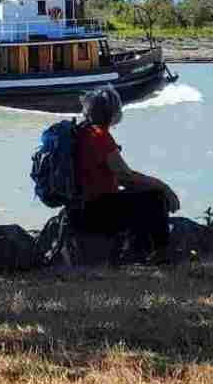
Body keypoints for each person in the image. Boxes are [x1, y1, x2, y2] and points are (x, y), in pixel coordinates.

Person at [71, 85, 180, 262]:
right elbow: (126, 177)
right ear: (113, 113)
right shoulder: (100, 137)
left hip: (81, 209)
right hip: (95, 211)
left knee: (140, 196)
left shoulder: (83, 132)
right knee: (155, 198)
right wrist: (164, 187)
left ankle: (135, 251)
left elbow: (122, 175)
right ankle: (160, 255)